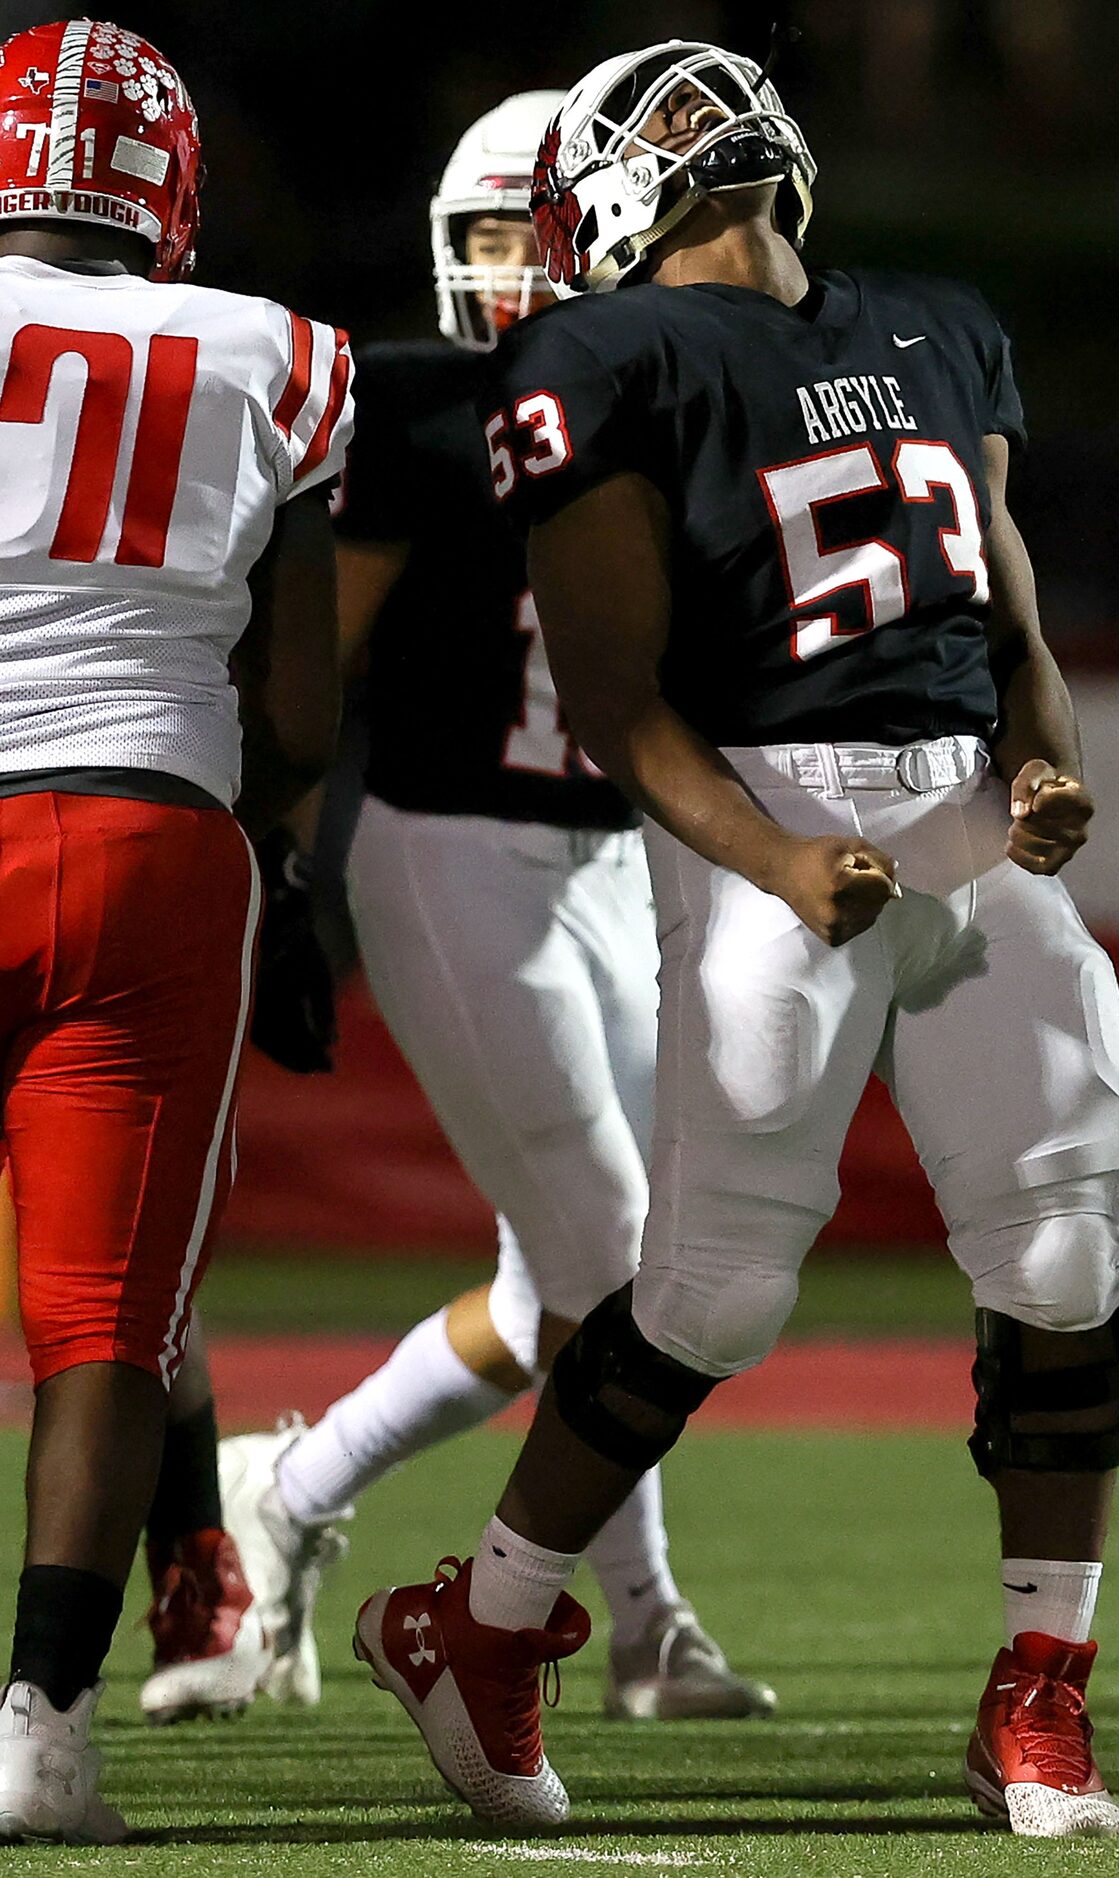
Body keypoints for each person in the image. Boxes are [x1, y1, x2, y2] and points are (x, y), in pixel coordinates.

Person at [353, 39, 1119, 1840]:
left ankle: (1040, 1698)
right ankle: (478, 1625)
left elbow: (1012, 615)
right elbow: (624, 706)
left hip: (959, 817)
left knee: (1063, 1249)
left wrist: (1047, 775)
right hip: (763, 811)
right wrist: (784, 863)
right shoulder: (596, 357)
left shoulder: (939, 322)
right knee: (714, 1285)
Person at [219, 90, 772, 1726]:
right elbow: (334, 643)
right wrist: (283, 856)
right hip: (458, 854)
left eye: (539, 231)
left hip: (617, 859)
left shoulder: (667, 393)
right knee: (618, 1261)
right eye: (482, 237)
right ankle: (651, 1627)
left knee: (575, 1277)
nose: (512, 269)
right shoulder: (425, 404)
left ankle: (295, 1484)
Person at [0, 17, 348, 1840]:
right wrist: (270, 852)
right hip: (147, 833)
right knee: (100, 1328)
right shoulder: (283, 355)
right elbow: (298, 707)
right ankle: (43, 1722)